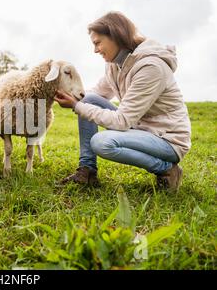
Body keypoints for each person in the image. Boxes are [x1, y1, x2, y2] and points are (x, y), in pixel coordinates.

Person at [54, 11, 191, 192]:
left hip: (166, 139)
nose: (95, 50)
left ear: (116, 35)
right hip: (140, 129)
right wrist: (72, 97)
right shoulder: (114, 65)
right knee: (89, 99)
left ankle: (167, 170)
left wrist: (76, 106)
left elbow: (122, 121)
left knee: (102, 143)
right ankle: (87, 172)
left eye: (97, 43)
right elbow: (95, 95)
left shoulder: (151, 67)